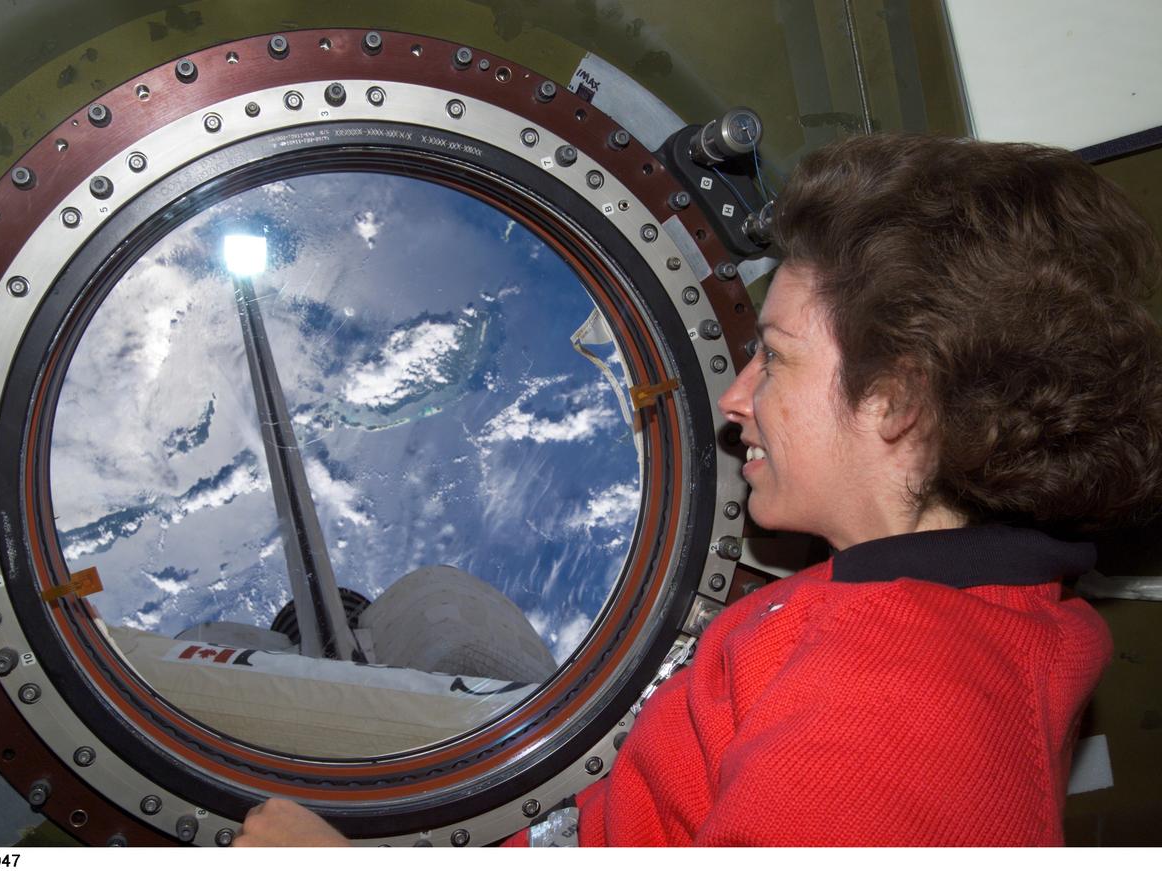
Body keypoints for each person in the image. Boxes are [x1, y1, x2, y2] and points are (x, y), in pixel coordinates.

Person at [234, 133, 1162, 847]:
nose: (734, 397)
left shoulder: (896, 721)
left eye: (776, 357)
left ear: (896, 399)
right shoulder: (929, 615)